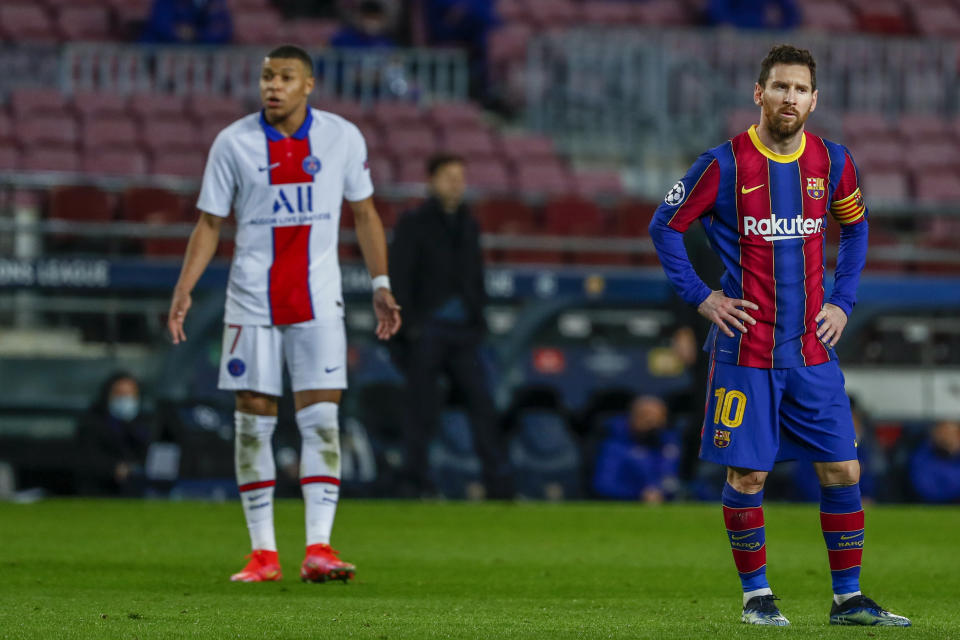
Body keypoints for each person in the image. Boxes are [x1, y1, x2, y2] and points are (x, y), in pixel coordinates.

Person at [648, 44, 910, 627]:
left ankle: (848, 600)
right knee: (748, 476)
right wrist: (702, 296)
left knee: (844, 470)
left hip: (813, 352)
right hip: (746, 350)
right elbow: (664, 226)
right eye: (779, 87)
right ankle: (757, 599)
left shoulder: (835, 163)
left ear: (814, 100)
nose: (789, 98)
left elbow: (857, 228)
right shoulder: (721, 165)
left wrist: (843, 300)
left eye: (799, 89)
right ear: (758, 92)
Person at [166, 45, 402, 584]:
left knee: (321, 421)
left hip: (319, 299)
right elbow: (208, 223)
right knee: (253, 424)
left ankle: (318, 547)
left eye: (284, 76)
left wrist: (381, 283)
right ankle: (263, 554)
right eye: (266, 76)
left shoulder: (341, 137)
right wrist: (185, 288)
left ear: (309, 84)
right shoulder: (233, 142)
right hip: (251, 300)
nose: (272, 85)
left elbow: (364, 213)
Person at [389, 153, 512, 499]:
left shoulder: (468, 224)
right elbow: (400, 275)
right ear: (431, 181)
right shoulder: (413, 223)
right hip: (427, 329)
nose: (456, 183)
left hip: (464, 332)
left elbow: (475, 275)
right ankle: (414, 482)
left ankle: (499, 483)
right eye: (448, 176)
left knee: (483, 405)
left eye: (460, 177)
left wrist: (478, 318)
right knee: (421, 410)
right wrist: (409, 326)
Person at [76, 372, 157, 497]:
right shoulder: (92, 423)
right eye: (120, 394)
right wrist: (113, 468)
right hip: (101, 490)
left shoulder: (146, 423)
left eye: (130, 394)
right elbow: (88, 458)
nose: (125, 399)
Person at [593, 395, 681, 503]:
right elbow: (604, 485)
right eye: (645, 415)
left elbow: (675, 480)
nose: (652, 421)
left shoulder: (670, 445)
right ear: (631, 417)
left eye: (658, 417)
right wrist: (639, 494)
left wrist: (663, 492)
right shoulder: (615, 447)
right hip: (628, 503)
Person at [909, 420, 960, 503]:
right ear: (935, 433)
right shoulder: (923, 454)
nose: (946, 438)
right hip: (928, 504)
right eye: (943, 433)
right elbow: (925, 487)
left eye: (951, 434)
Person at [141, 0, 233, 45]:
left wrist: (195, 34)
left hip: (202, 65)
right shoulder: (165, 2)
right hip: (156, 63)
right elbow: (163, 28)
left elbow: (221, 33)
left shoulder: (216, 3)